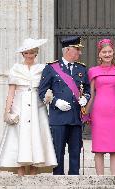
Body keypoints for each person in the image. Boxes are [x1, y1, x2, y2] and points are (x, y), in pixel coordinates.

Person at [0, 38, 57, 176]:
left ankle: (34, 176)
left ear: (36, 53)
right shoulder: (16, 68)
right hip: (19, 106)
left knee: (36, 137)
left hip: (37, 107)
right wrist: (6, 112)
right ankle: (20, 178)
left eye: (32, 52)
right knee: (19, 139)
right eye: (27, 52)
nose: (29, 55)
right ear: (23, 53)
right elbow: (11, 93)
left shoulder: (42, 68)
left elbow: (47, 88)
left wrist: (48, 96)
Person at [38, 36, 90, 175]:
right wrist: (56, 102)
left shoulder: (82, 69)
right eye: (77, 49)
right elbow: (41, 92)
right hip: (58, 118)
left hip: (75, 119)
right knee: (58, 153)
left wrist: (85, 98)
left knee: (75, 154)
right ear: (68, 50)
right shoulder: (51, 68)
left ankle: (74, 181)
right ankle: (58, 183)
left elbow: (87, 89)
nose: (80, 53)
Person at [87, 39, 115, 175]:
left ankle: (114, 180)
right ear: (99, 54)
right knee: (99, 149)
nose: (107, 54)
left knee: (114, 149)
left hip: (114, 113)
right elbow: (91, 94)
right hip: (98, 112)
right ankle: (100, 180)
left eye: (109, 51)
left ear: (113, 53)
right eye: (104, 52)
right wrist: (85, 113)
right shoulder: (93, 71)